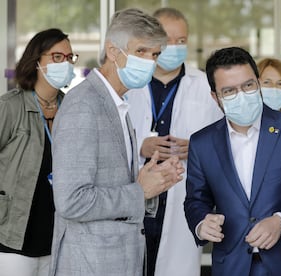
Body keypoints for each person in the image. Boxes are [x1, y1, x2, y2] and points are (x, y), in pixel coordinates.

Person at [49, 8, 184, 276]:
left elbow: (112, 183)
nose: (150, 62)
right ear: (113, 51)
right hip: (90, 264)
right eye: (141, 52)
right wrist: (139, 191)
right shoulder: (83, 105)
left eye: (155, 54)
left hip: (119, 260)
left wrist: (152, 181)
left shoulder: (117, 103)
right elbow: (71, 201)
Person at [184, 46, 281, 276]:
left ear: (258, 82)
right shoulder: (202, 143)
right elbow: (195, 200)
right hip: (231, 266)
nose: (241, 95)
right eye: (229, 91)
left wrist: (280, 220)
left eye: (248, 85)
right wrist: (202, 222)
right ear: (215, 96)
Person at [125, 7, 223, 276]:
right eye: (169, 40)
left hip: (181, 197)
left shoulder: (204, 85)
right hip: (135, 196)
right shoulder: (130, 84)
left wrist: (197, 149)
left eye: (182, 41)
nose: (175, 47)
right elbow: (111, 141)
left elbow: (224, 140)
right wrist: (140, 147)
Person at [0, 28, 77, 276]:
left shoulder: (73, 108)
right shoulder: (10, 106)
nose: (64, 63)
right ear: (36, 61)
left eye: (69, 58)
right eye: (57, 57)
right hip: (14, 238)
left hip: (59, 239)